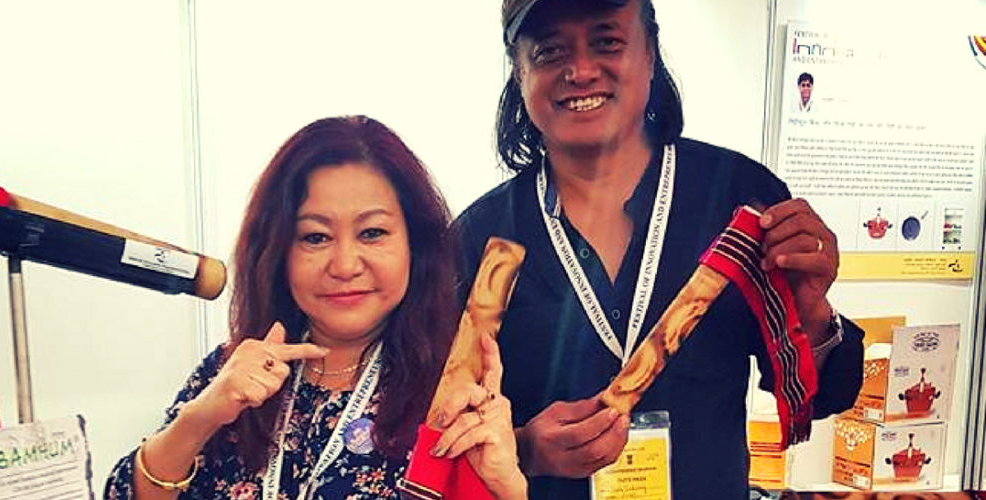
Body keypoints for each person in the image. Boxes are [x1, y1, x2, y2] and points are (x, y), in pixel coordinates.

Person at [452, 0, 864, 498]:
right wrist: (523, 449)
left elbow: (823, 397)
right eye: (550, 51)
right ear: (519, 72)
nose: (580, 70)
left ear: (649, 52)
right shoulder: (484, 239)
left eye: (607, 42)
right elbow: (441, 433)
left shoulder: (736, 200)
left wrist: (812, 313)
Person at [104, 116, 527, 499]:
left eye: (372, 233)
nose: (344, 265)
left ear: (415, 245)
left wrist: (508, 487)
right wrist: (199, 418)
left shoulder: (453, 391)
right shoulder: (229, 372)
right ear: (277, 253)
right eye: (315, 237)